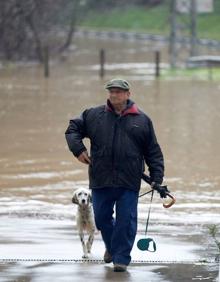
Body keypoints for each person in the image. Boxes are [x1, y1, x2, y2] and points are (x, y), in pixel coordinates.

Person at [65, 78, 164, 272]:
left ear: (128, 94)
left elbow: (153, 151)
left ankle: (121, 259)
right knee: (101, 218)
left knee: (126, 220)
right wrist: (78, 150)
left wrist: (156, 177)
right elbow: (72, 129)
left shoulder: (142, 120)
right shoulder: (94, 115)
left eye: (118, 91)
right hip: (101, 178)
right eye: (111, 91)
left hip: (129, 180)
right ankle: (111, 247)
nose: (114, 94)